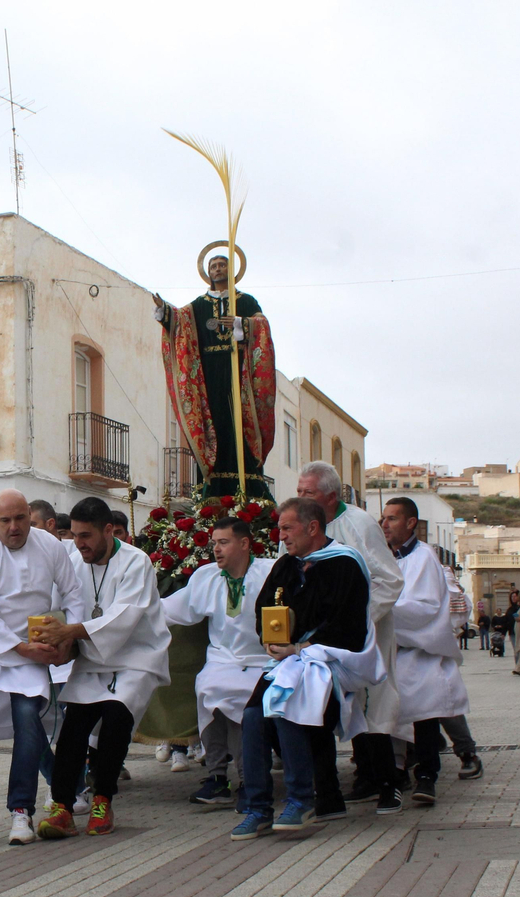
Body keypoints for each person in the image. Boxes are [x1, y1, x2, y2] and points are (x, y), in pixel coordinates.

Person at [231, 498, 378, 839]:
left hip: (331, 661)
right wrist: (269, 639)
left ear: (312, 528)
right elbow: (263, 610)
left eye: (287, 528)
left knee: (285, 710)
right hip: (287, 662)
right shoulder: (286, 566)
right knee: (252, 717)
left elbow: (348, 626)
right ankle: (257, 807)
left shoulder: (345, 564)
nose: (280, 535)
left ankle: (300, 800)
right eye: (280, 528)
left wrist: (301, 648)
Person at [33, 496, 170, 838]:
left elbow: (122, 618)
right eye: (75, 536)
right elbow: (62, 604)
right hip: (93, 658)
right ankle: (63, 807)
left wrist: (70, 632)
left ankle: (103, 802)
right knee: (73, 728)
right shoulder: (75, 561)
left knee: (115, 719)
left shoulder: (136, 563)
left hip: (136, 658)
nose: (79, 544)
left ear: (109, 531)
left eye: (86, 536)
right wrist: (58, 640)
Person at [0, 489, 84, 846]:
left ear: (30, 515)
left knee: (28, 719)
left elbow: (73, 594)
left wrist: (69, 639)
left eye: (19, 519)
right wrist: (22, 649)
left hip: (34, 643)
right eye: (5, 521)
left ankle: (21, 810)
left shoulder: (50, 546)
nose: (13, 528)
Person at [297, 461, 403, 814]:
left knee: (374, 703)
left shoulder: (359, 524)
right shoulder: (304, 528)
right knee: (329, 704)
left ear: (331, 495)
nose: (301, 498)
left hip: (365, 632)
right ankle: (357, 779)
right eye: (298, 492)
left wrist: (356, 619)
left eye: (307, 493)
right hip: (322, 637)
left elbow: (389, 579)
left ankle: (389, 782)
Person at [161, 516, 275, 807]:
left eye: (223, 542)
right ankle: (217, 778)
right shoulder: (206, 576)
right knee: (209, 689)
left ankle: (250, 780)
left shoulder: (269, 572)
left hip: (262, 660)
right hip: (222, 659)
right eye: (214, 543)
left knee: (244, 700)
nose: (216, 549)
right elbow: (173, 608)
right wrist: (130, 612)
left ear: (245, 544)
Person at [152, 249, 275, 497]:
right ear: (207, 272)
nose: (217, 269)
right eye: (213, 265)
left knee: (238, 422)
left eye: (222, 265)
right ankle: (212, 483)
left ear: (231, 270)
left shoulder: (246, 301)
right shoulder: (199, 305)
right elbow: (180, 322)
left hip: (238, 371)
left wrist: (242, 323)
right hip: (209, 373)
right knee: (215, 421)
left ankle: (247, 483)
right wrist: (164, 311)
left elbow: (261, 326)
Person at [382, 499, 478, 807]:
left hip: (420, 649)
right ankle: (394, 776)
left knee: (426, 710)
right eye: (383, 519)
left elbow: (423, 607)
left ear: (411, 523)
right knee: (390, 714)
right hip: (392, 650)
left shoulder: (424, 557)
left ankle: (428, 774)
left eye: (392, 519)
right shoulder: (386, 557)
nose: (384, 524)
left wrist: (381, 609)